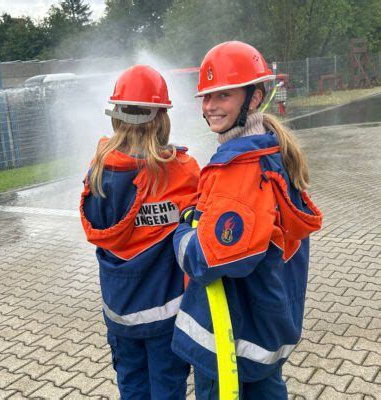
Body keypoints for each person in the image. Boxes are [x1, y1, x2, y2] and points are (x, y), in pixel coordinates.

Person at [172, 41, 323, 399]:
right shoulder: (271, 150)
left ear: (254, 99)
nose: (210, 107)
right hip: (264, 329)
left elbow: (210, 258)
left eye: (222, 95)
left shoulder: (240, 168)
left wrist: (182, 232)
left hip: (229, 343)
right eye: (206, 97)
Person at [80, 64, 200, 400]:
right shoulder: (182, 170)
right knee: (168, 389)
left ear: (116, 117)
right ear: (162, 118)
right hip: (167, 315)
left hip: (119, 312)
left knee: (132, 387)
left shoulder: (98, 172)